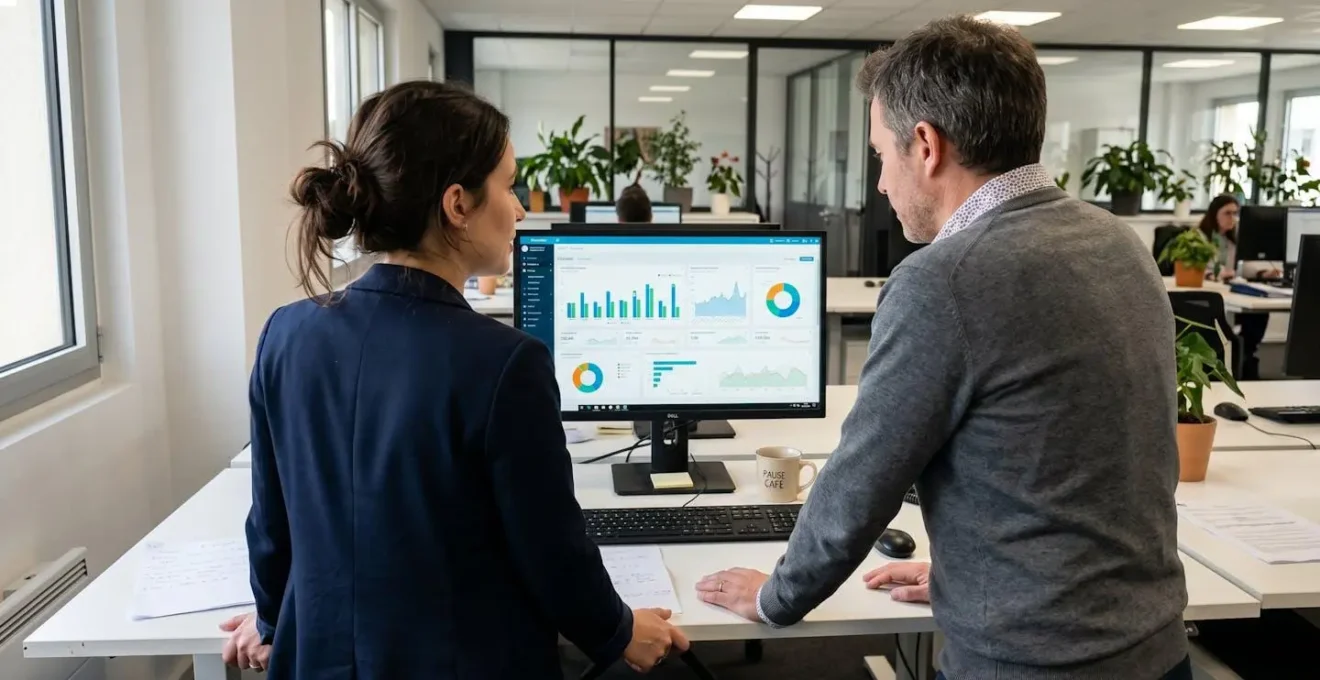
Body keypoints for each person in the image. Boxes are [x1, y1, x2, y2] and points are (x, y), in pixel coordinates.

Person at [696, 16, 1191, 680]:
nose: (880, 183)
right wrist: (975, 570)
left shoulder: (945, 281)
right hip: (1156, 649)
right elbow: (1088, 463)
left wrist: (773, 598)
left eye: (881, 154)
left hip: (1031, 663)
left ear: (926, 145)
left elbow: (862, 483)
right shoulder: (1117, 242)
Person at [218, 81, 687, 678]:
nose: (520, 210)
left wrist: (271, 622)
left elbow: (271, 525)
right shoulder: (504, 362)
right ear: (458, 205)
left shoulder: (284, 333)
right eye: (510, 186)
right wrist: (619, 631)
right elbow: (550, 549)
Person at [1199, 194, 1240, 280]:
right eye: (1227, 213)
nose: (1232, 218)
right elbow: (1197, 267)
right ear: (1215, 214)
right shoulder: (1199, 237)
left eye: (1235, 213)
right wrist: (1211, 274)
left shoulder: (1233, 238)